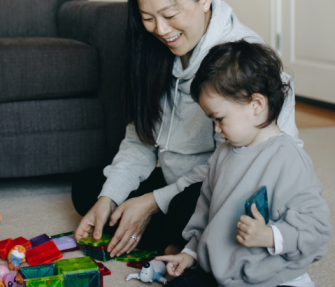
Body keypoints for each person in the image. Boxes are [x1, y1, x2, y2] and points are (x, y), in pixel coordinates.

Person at [72, 0, 303, 258]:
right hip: (177, 183)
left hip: (222, 185)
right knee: (89, 188)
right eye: (147, 18)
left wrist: (152, 203)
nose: (160, 29)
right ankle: (176, 242)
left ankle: (179, 244)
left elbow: (243, 168)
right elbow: (141, 139)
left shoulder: (244, 65)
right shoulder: (152, 50)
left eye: (170, 14)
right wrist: (109, 198)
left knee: (192, 210)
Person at [156, 40, 332, 287]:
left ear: (256, 105)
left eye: (220, 119)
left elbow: (317, 230)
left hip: (273, 279)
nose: (216, 129)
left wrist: (270, 236)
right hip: (225, 273)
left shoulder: (289, 160)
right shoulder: (223, 154)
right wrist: (191, 253)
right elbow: (205, 211)